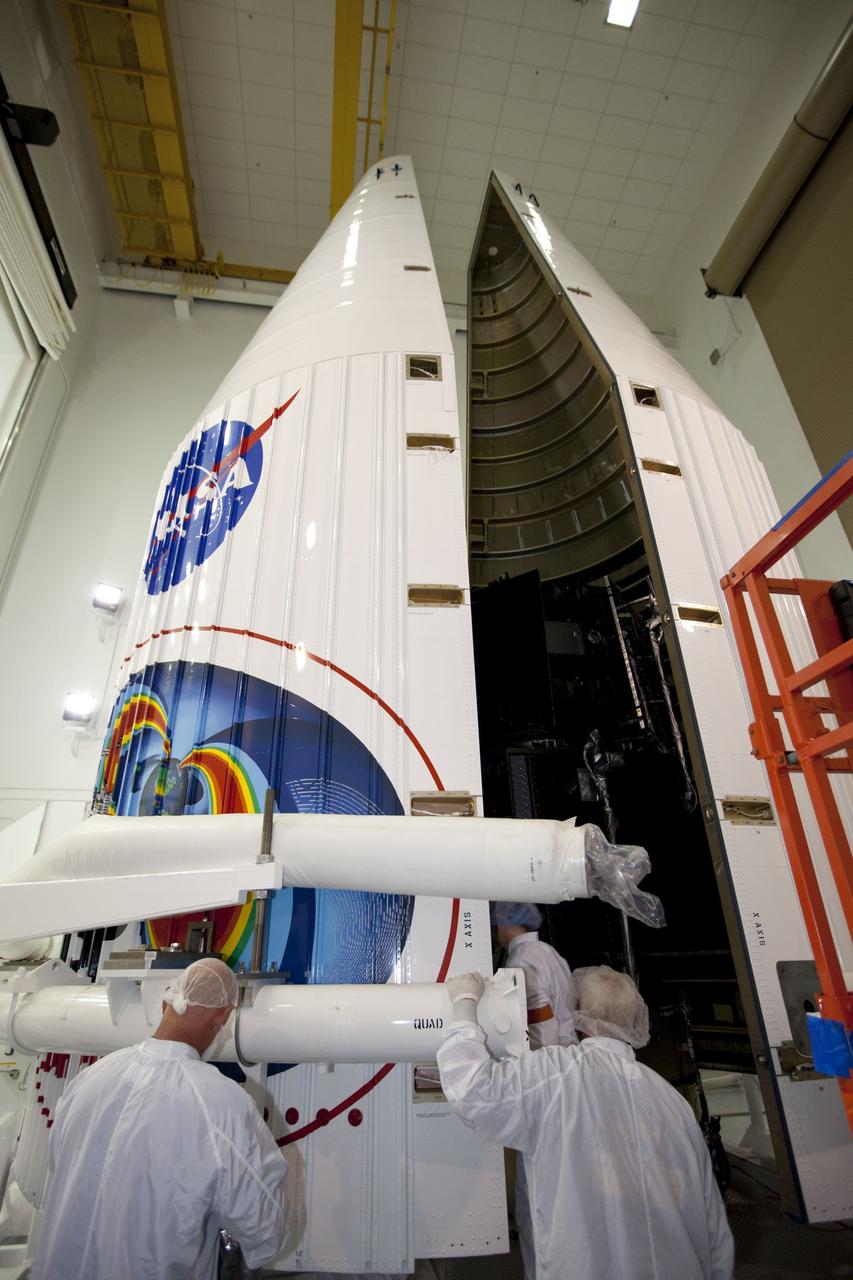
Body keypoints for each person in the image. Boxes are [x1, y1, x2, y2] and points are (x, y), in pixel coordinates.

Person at [437, 965, 734, 1280]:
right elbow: (711, 1216)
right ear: (634, 1019)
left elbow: (473, 1089)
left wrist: (464, 1002)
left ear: (577, 1015)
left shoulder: (552, 1073)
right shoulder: (672, 1101)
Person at [31, 957, 289, 1280]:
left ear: (168, 999)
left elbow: (59, 1166)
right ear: (222, 1017)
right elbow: (267, 1228)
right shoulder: (222, 1106)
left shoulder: (89, 1079)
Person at [492, 901, 577, 1277]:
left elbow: (535, 1027)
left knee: (537, 1199)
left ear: (503, 923)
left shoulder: (521, 964)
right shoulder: (551, 954)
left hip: (544, 1086)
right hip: (569, 1078)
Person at [491, 901, 577, 1050]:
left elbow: (540, 1022)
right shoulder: (546, 950)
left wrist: (538, 1059)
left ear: (501, 922)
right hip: (568, 1047)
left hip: (551, 1053)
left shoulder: (521, 960)